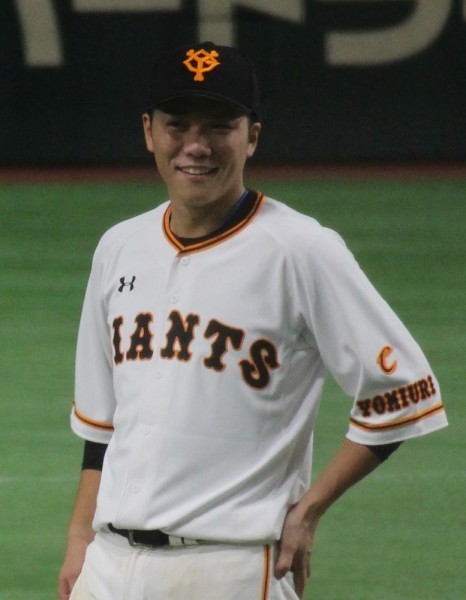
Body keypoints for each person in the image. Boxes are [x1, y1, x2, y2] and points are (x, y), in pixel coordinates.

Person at [58, 41, 447, 600]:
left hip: (232, 568)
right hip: (109, 565)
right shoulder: (118, 247)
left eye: (219, 126)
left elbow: (405, 391)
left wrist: (310, 510)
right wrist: (80, 539)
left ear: (252, 137)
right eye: (177, 125)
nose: (196, 145)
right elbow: (102, 424)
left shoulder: (300, 249)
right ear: (149, 132)